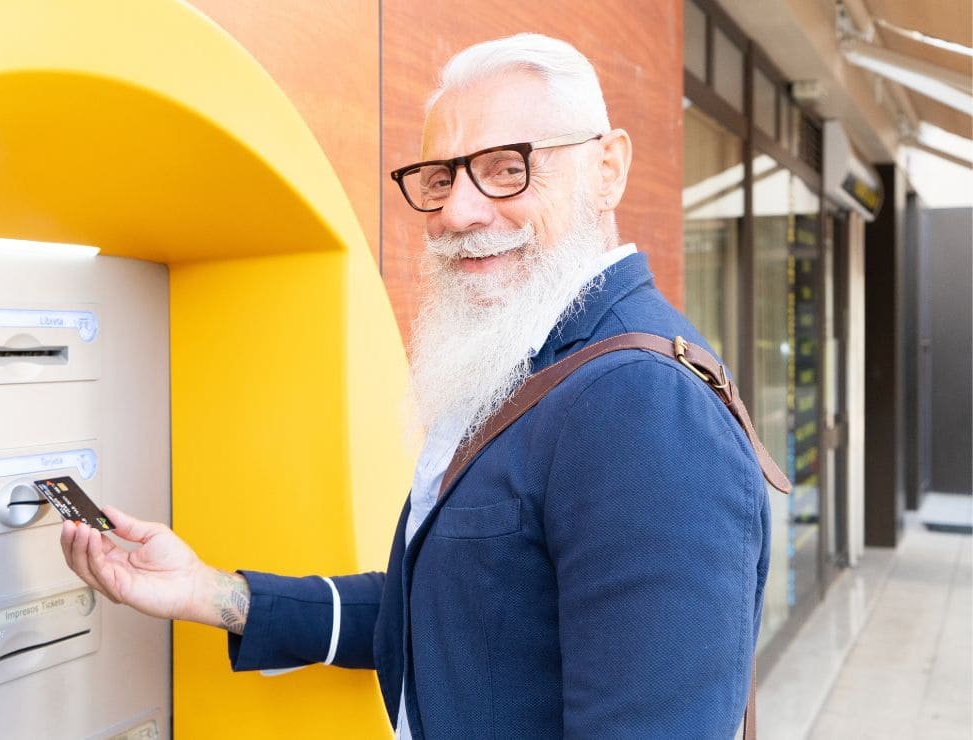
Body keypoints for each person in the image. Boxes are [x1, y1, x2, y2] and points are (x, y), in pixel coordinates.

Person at [61, 33, 771, 738]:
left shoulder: (641, 404)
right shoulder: (530, 361)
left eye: (506, 168)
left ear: (608, 167)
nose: (457, 214)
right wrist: (213, 593)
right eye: (440, 177)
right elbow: (447, 617)